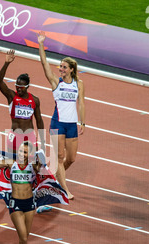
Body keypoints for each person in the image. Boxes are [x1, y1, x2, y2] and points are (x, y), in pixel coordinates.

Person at [37, 31, 85, 200]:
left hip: (71, 124)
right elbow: (44, 65)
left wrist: (83, 122)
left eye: (64, 67)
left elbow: (81, 103)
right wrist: (41, 44)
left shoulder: (79, 84)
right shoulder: (56, 82)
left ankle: (57, 175)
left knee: (70, 158)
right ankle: (64, 189)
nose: (60, 69)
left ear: (71, 69)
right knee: (59, 156)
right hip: (57, 123)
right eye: (60, 66)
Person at [0, 49, 45, 154]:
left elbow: (39, 120)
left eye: (21, 87)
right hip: (15, 136)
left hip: (29, 136)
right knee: (12, 163)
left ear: (27, 87)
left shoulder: (34, 100)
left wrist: (42, 140)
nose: (18, 89)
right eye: (17, 86)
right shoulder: (12, 96)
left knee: (33, 164)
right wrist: (6, 63)